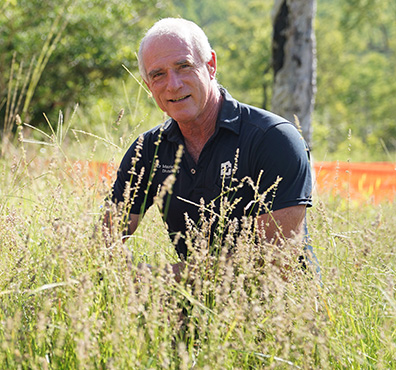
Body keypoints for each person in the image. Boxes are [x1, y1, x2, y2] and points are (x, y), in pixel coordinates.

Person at [105, 18, 314, 280]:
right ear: (148, 86)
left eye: (184, 66)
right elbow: (103, 241)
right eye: (158, 74)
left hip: (282, 311)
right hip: (192, 304)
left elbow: (274, 261)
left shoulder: (273, 138)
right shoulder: (148, 150)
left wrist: (160, 277)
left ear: (211, 65)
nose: (173, 84)